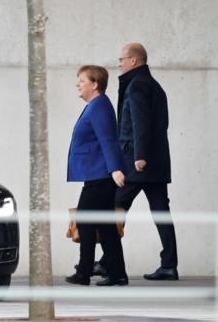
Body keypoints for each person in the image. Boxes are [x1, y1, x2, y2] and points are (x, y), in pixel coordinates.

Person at [109, 42, 178, 281]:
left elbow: (140, 123)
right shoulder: (154, 86)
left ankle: (107, 262)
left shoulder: (136, 85)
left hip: (139, 161)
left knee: (115, 205)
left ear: (133, 61)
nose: (119, 64)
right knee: (161, 211)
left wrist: (139, 156)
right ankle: (169, 265)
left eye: (121, 59)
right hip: (157, 161)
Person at [65, 65, 128, 287]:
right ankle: (117, 273)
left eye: (81, 80)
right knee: (107, 225)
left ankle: (84, 272)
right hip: (98, 173)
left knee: (85, 220)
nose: (77, 84)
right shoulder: (96, 105)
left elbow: (108, 139)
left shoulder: (99, 106)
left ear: (95, 84)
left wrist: (114, 169)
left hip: (101, 174)